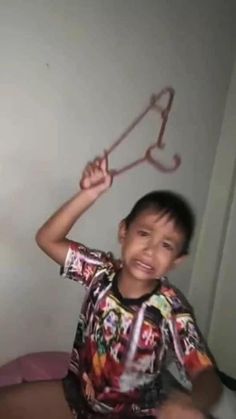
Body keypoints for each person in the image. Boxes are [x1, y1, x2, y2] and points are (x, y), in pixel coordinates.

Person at [0, 155, 222, 419]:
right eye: (144, 234)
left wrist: (194, 403)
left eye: (166, 245)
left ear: (177, 261)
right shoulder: (99, 272)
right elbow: (47, 239)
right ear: (123, 232)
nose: (150, 251)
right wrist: (89, 194)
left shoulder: (172, 311)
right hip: (77, 397)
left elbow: (207, 377)